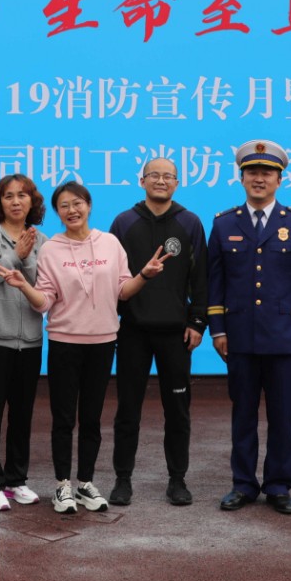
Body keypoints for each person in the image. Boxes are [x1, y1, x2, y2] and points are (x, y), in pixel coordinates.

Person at [0, 182, 164, 515]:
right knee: (63, 418)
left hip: (103, 341)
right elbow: (45, 302)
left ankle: (85, 483)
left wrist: (144, 275)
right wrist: (24, 285)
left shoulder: (110, 243)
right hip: (64, 343)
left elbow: (123, 291)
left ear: (88, 205)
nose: (71, 211)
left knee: (91, 418)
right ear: (57, 212)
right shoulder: (51, 249)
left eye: (77, 203)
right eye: (64, 206)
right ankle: (62, 485)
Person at [206, 140, 291, 515]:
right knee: (243, 415)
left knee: (282, 417)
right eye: (252, 172)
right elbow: (215, 282)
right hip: (239, 336)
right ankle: (243, 484)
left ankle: (279, 485)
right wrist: (218, 330)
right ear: (241, 178)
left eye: (267, 173)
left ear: (279, 179)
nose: (259, 179)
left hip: (285, 338)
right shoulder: (223, 223)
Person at [106, 157, 207, 508]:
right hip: (132, 331)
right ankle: (122, 479)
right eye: (154, 175)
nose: (161, 181)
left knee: (177, 410)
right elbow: (112, 277)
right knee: (127, 410)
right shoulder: (124, 222)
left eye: (168, 176)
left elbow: (200, 277)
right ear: (142, 180)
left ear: (177, 183)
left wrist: (197, 322)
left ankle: (177, 480)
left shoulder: (190, 222)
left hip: (176, 334)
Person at [0, 174, 45, 512]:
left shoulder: (42, 240)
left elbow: (42, 288)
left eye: (22, 196)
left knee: (22, 415)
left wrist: (26, 257)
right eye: (8, 196)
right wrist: (14, 255)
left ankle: (16, 480)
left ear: (32, 202)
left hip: (30, 342)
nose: (16, 202)